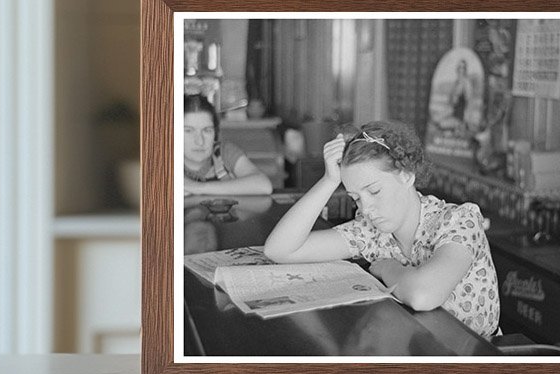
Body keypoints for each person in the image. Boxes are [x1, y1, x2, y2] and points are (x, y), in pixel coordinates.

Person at [263, 120, 499, 339]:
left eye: (374, 191)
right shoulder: (372, 232)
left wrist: (389, 268)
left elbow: (422, 295)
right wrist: (329, 181)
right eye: (356, 198)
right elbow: (280, 250)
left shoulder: (459, 220)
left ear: (406, 175)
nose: (366, 209)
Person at [183, 94, 272, 196]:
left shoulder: (223, 152)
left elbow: (263, 185)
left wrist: (196, 187)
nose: (199, 141)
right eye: (188, 131)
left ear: (215, 134)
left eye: (207, 130)